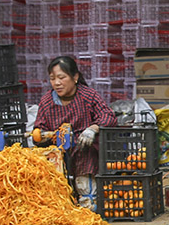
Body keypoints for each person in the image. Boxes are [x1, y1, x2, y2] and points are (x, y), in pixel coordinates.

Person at [32, 56, 116, 210]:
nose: (57, 83)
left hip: (84, 151)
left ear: (75, 77)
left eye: (61, 77)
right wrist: (44, 136)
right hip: (58, 156)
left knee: (86, 152)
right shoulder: (46, 102)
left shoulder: (88, 96)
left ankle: (89, 203)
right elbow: (38, 132)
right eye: (52, 79)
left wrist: (93, 129)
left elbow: (108, 116)